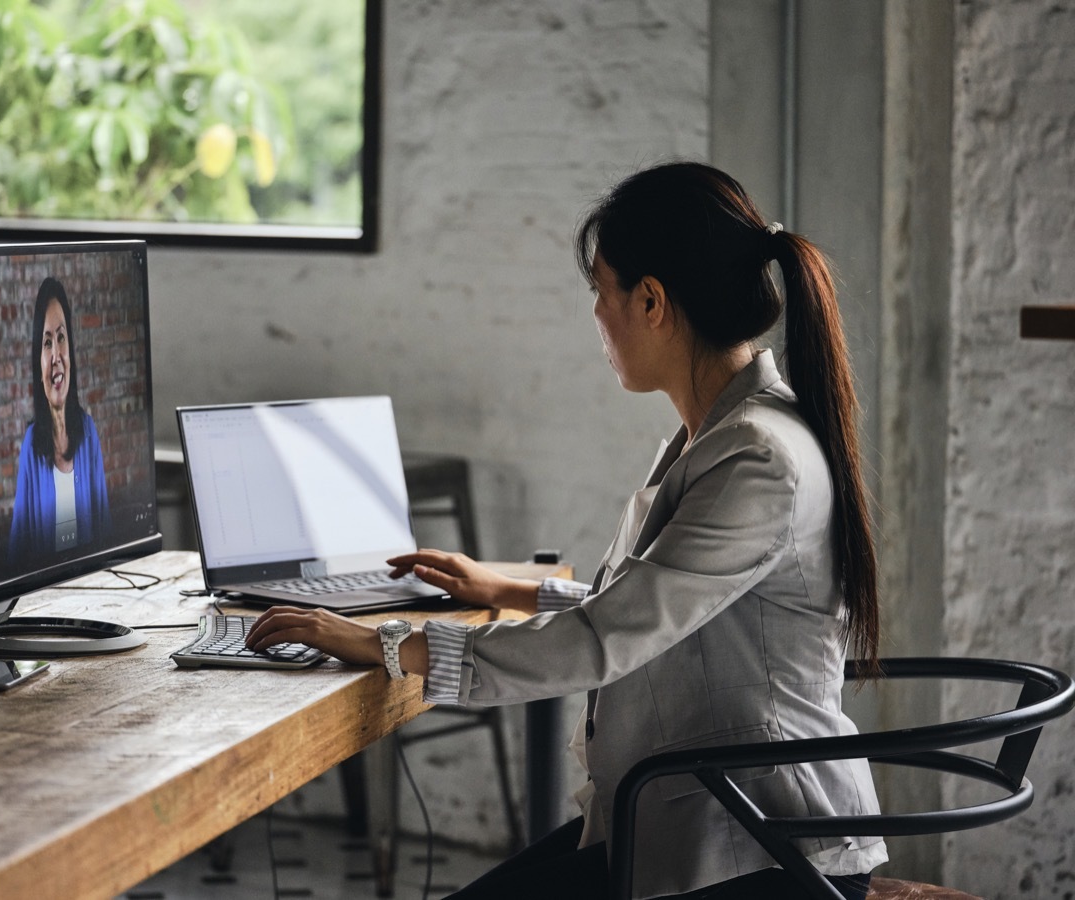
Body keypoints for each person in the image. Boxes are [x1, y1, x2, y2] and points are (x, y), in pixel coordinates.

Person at [245, 161, 886, 899]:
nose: (595, 316)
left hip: (764, 853)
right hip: (700, 824)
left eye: (599, 291)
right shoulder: (720, 434)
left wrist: (383, 641)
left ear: (651, 301)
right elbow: (666, 615)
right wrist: (514, 590)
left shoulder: (758, 458)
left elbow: (605, 640)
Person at [8, 277, 111, 564]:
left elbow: (106, 532)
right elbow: (17, 551)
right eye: (46, 342)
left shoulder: (88, 433)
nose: (56, 355)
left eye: (61, 338)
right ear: (38, 364)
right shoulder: (31, 445)